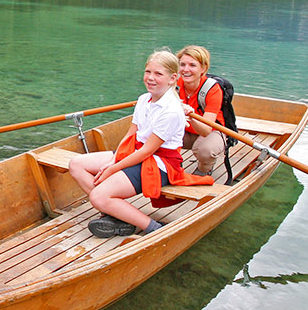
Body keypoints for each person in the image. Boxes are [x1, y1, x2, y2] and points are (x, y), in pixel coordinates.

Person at [68, 49, 213, 238]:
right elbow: (130, 136)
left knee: (98, 195)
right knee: (76, 164)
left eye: (158, 74)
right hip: (135, 152)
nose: (151, 78)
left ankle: (153, 227)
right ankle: (114, 214)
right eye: (148, 72)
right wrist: (113, 161)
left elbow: (147, 151)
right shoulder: (144, 99)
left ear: (172, 79)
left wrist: (112, 169)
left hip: (160, 164)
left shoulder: (171, 110)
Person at [174, 45, 227, 176]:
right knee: (155, 136)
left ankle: (205, 169)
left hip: (210, 132)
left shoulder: (212, 89)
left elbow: (205, 130)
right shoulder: (173, 84)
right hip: (185, 131)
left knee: (205, 151)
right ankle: (173, 164)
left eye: (192, 65)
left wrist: (190, 115)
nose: (186, 70)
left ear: (203, 68)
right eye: (182, 64)